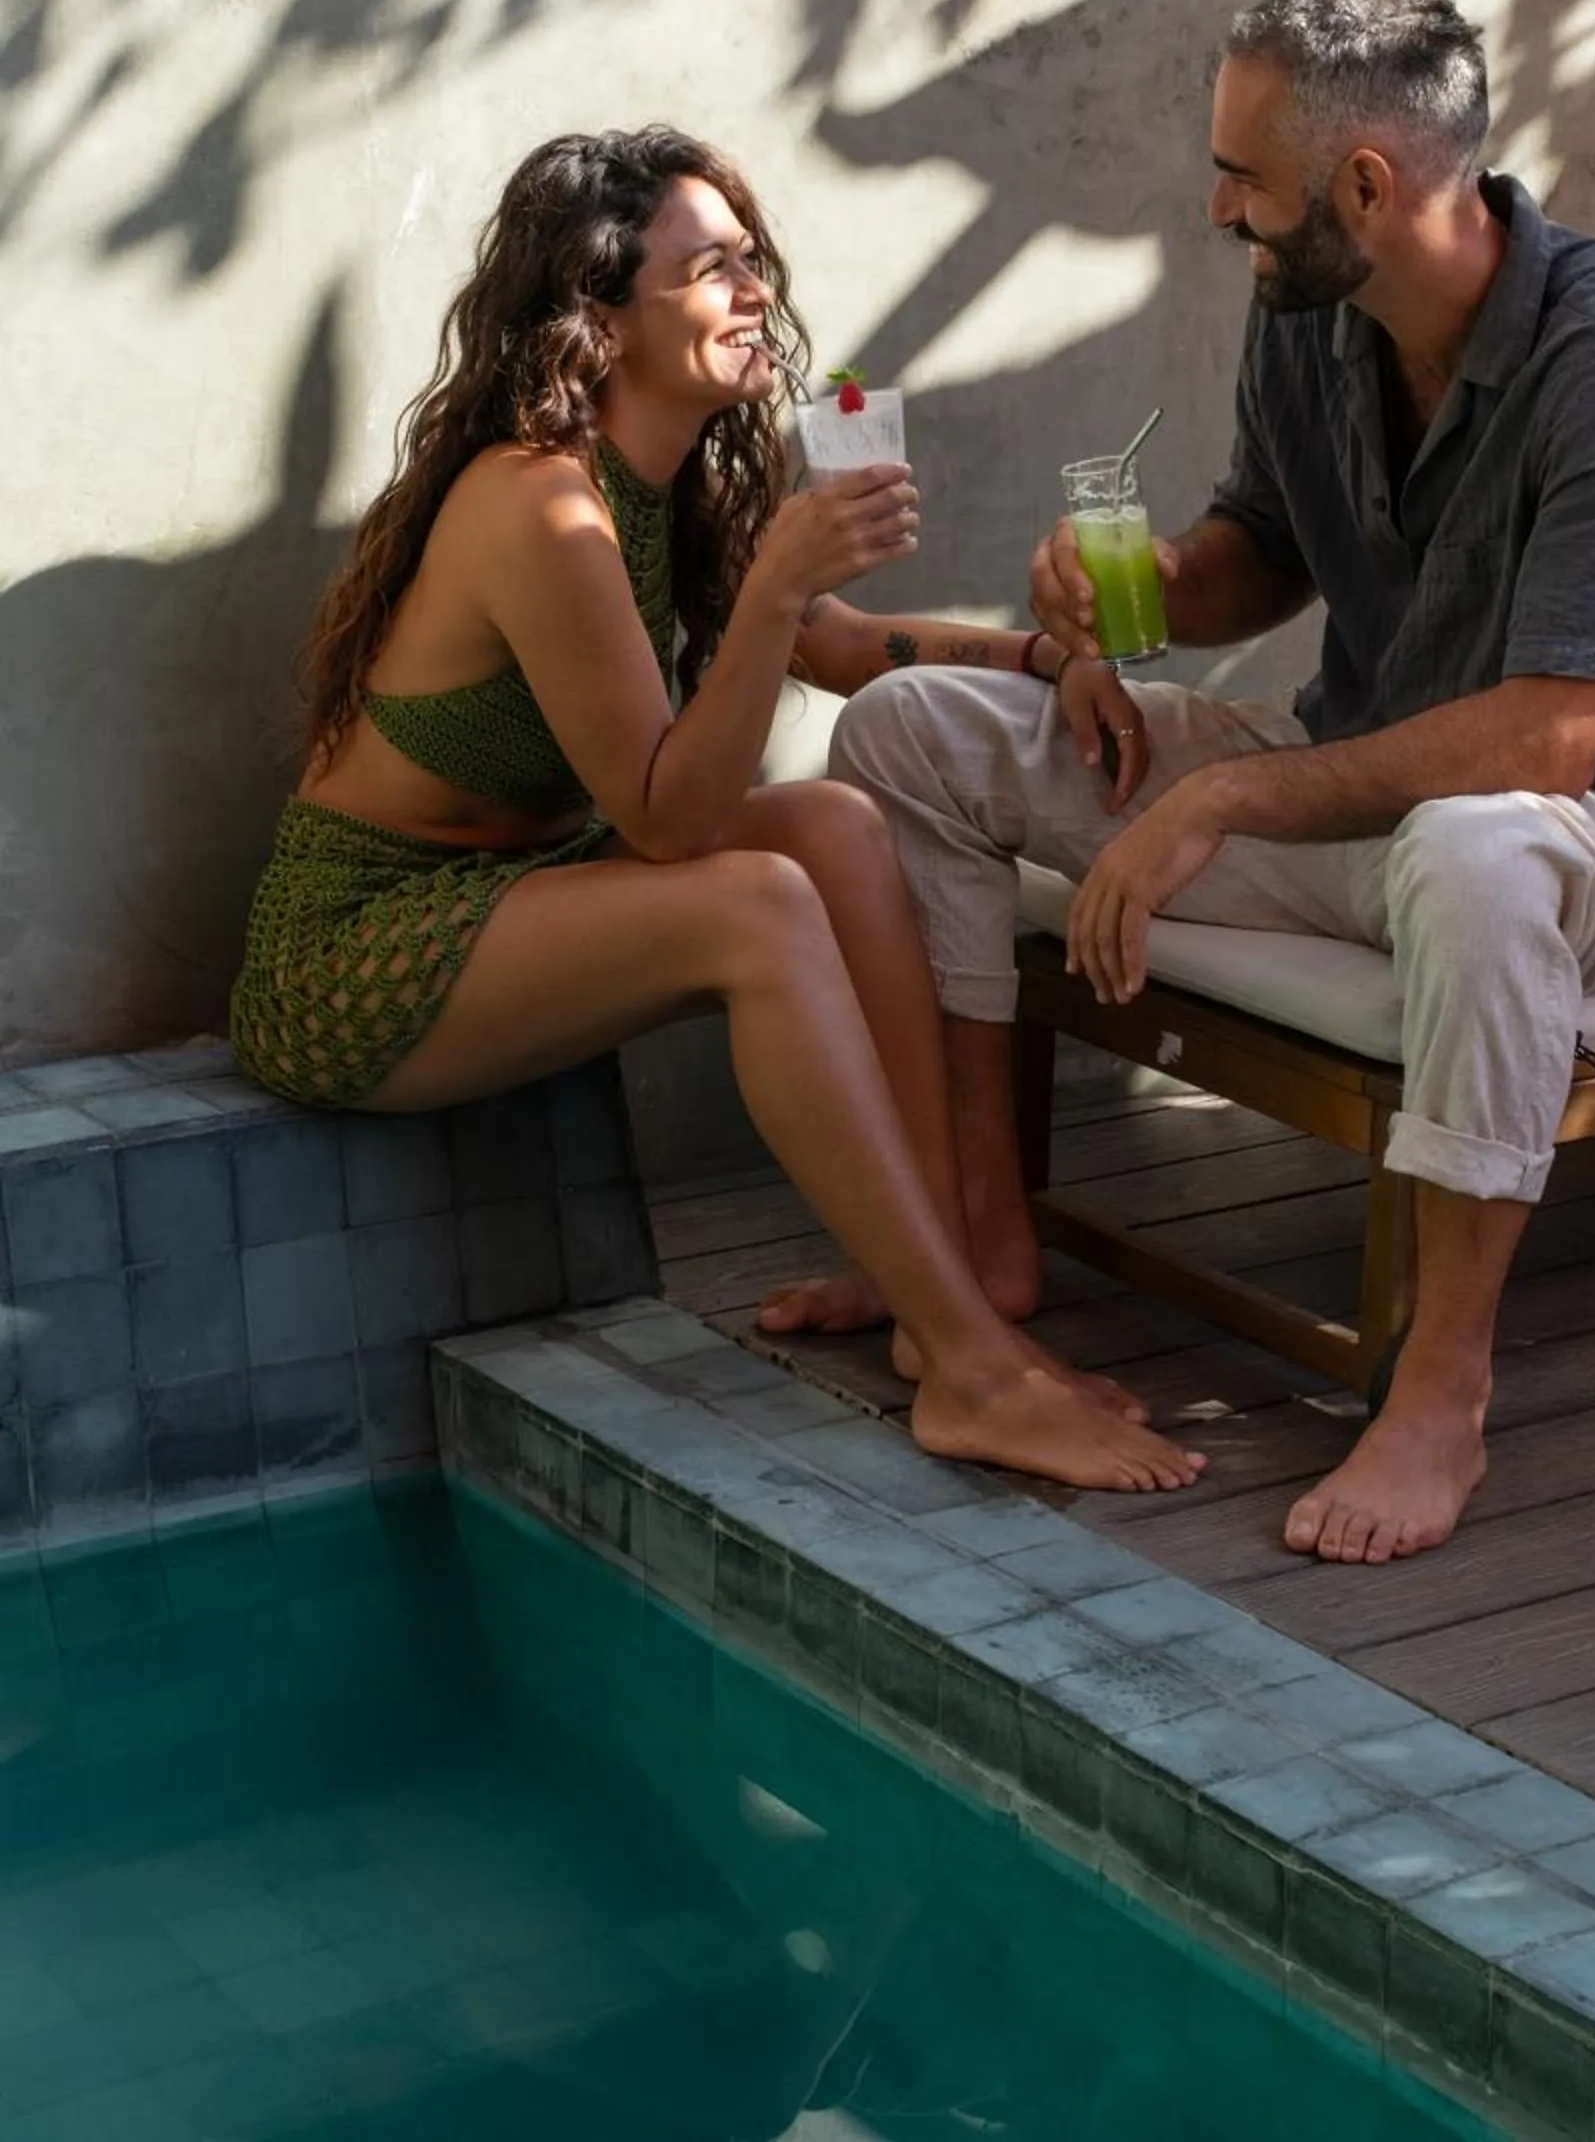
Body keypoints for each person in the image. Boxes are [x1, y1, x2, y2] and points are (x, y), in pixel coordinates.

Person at [827, 0, 1595, 1563]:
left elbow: (1555, 735)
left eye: (1241, 178)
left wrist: (1222, 792)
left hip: (1591, 845)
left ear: (1366, 184)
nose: (1215, 210)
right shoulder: (1315, 316)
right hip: (1361, 794)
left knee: (1474, 852)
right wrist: (1127, 603)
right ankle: (982, 1239)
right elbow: (1262, 556)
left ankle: (1438, 1389)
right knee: (905, 729)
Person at [229, 125, 1203, 1496]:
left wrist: (1051, 659)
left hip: (525, 888)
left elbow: (842, 648)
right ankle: (974, 1368)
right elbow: (672, 828)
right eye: (710, 270)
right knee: (754, 897)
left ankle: (941, 1278)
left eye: (752, 259)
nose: (755, 291)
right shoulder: (542, 507)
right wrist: (771, 592)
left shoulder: (677, 483)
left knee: (835, 829)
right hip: (362, 949)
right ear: (604, 316)